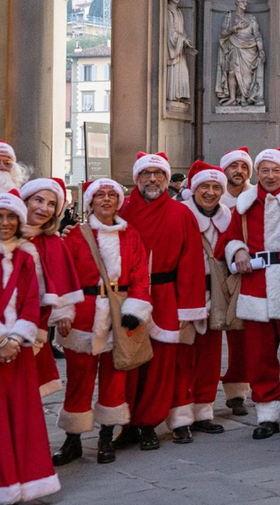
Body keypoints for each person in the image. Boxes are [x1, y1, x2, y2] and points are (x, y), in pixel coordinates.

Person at [215, 145, 280, 439]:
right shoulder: (244, 203)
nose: (270, 176)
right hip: (255, 285)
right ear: (257, 173)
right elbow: (228, 239)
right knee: (259, 355)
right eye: (265, 170)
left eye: (276, 170)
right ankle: (267, 412)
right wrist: (239, 250)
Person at [117, 152, 206, 449]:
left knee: (162, 365)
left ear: (168, 180)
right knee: (129, 363)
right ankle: (127, 423)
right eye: (146, 174)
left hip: (168, 296)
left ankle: (148, 423)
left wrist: (189, 306)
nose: (152, 179)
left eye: (159, 174)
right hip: (130, 297)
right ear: (136, 179)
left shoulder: (182, 214)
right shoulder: (121, 212)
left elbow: (192, 263)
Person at [59, 179, 151, 465]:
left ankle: (105, 438)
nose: (107, 199)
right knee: (78, 380)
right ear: (90, 202)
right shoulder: (75, 236)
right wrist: (63, 312)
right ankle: (72, 439)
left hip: (119, 312)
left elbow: (139, 274)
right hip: (83, 314)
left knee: (115, 377)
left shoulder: (130, 235)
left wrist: (136, 308)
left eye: (112, 195)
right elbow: (63, 275)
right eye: (101, 195)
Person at [0, 189, 61, 503]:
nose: (6, 222)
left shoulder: (26, 255)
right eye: (0, 216)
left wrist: (13, 339)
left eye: (12, 217)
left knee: (24, 417)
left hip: (18, 349)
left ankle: (30, 481)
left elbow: (31, 301)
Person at [178, 162, 234, 439]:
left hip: (217, 294)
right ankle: (180, 414)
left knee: (211, 356)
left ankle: (203, 409)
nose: (210, 192)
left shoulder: (228, 218)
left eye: (215, 187)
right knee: (183, 356)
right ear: (193, 189)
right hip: (185, 294)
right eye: (204, 187)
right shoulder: (179, 215)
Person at [19, 177, 82, 401]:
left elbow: (62, 277)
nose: (45, 208)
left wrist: (63, 313)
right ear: (25, 201)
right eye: (39, 200)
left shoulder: (53, 241)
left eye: (52, 204)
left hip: (35, 326)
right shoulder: (8, 235)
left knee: (26, 391)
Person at [217, 147, 253, 414]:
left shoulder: (256, 197)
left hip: (251, 272)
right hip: (217, 272)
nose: (238, 171)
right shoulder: (213, 197)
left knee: (244, 336)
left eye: (243, 167)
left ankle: (238, 390)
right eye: (233, 167)